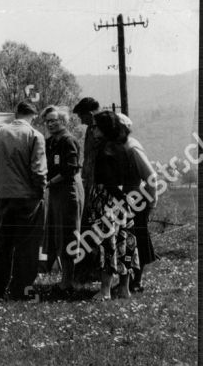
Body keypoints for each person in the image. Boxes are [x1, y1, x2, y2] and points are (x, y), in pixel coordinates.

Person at [0, 101, 48, 301]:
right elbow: (38, 171)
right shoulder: (35, 136)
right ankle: (20, 292)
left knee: (1, 247)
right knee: (27, 248)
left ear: (15, 114)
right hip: (28, 199)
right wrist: (40, 190)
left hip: (4, 197)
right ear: (33, 116)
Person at [89, 111, 156, 299]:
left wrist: (119, 197)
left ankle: (105, 290)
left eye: (95, 126)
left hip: (107, 200)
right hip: (123, 200)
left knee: (107, 244)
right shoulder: (122, 147)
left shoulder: (105, 149)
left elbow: (108, 181)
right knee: (125, 243)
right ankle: (125, 288)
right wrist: (126, 199)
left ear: (103, 129)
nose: (92, 130)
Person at [41, 106, 83, 296]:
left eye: (54, 120)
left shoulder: (68, 141)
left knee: (68, 234)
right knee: (57, 233)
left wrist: (48, 183)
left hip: (68, 191)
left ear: (63, 121)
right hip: (56, 192)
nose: (50, 124)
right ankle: (62, 279)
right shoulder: (50, 142)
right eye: (48, 121)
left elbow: (70, 170)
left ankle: (68, 281)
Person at [71, 96, 102, 284]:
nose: (81, 122)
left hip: (100, 186)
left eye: (82, 117)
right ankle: (88, 271)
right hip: (89, 184)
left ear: (90, 114)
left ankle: (98, 271)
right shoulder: (92, 129)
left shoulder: (103, 129)